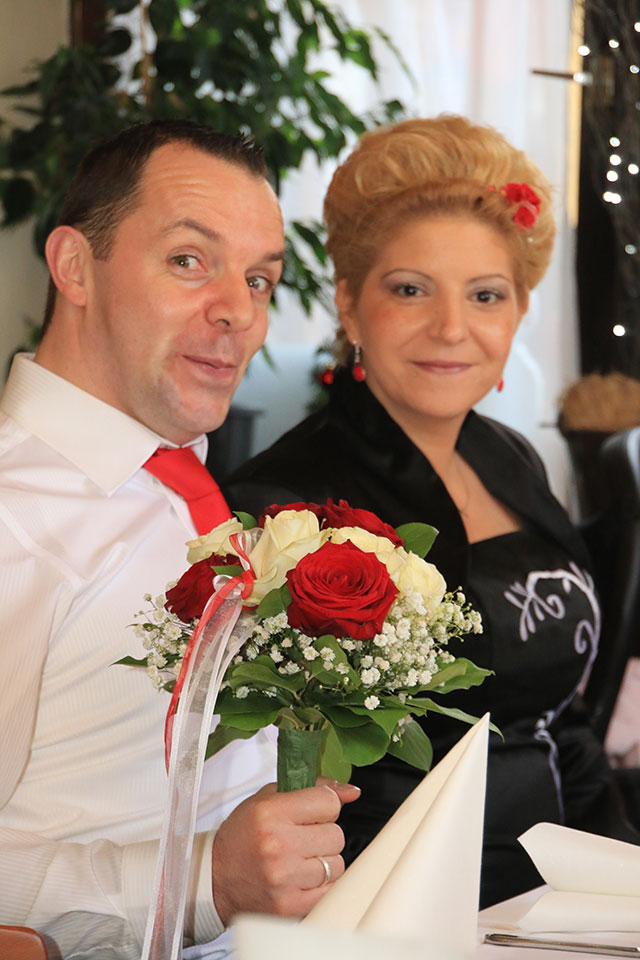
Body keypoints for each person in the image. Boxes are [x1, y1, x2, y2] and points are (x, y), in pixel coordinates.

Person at [224, 114, 637, 908]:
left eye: (485, 296)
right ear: (350, 307)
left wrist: (620, 872)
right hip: (397, 906)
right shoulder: (284, 509)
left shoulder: (511, 458)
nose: (451, 328)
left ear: (518, 312)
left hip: (566, 892)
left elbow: (563, 720)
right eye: (410, 290)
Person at [0, 120, 359, 959]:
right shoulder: (14, 519)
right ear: (75, 267)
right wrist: (207, 883)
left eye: (260, 278)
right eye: (189, 260)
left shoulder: (181, 490)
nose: (239, 311)